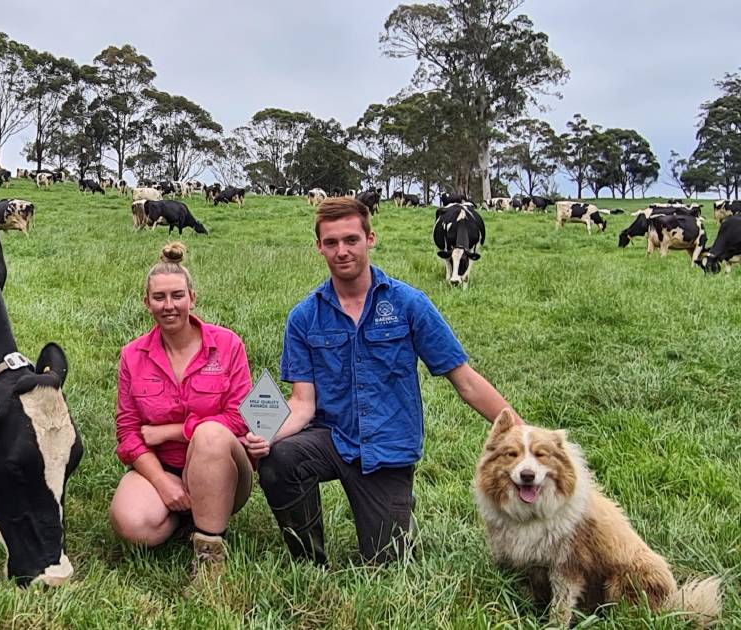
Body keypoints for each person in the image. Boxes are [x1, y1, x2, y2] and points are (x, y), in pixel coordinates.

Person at [244, 197, 514, 566]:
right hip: (332, 439)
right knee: (280, 458)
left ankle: (395, 507)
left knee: (388, 562)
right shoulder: (304, 317)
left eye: (351, 239)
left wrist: (519, 430)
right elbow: (303, 402)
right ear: (319, 247)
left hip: (387, 449)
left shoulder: (408, 304)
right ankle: (310, 560)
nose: (342, 251)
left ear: (370, 238)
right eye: (332, 242)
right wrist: (268, 436)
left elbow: (464, 379)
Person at [109, 242, 254, 585]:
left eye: (177, 296)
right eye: (159, 298)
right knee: (133, 524)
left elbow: (239, 418)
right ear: (146, 303)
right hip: (163, 468)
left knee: (211, 434)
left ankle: (209, 554)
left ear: (192, 297)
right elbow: (128, 433)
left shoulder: (228, 344)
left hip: (224, 467)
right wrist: (161, 482)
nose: (169, 306)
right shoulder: (132, 356)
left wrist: (172, 431)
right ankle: (186, 511)